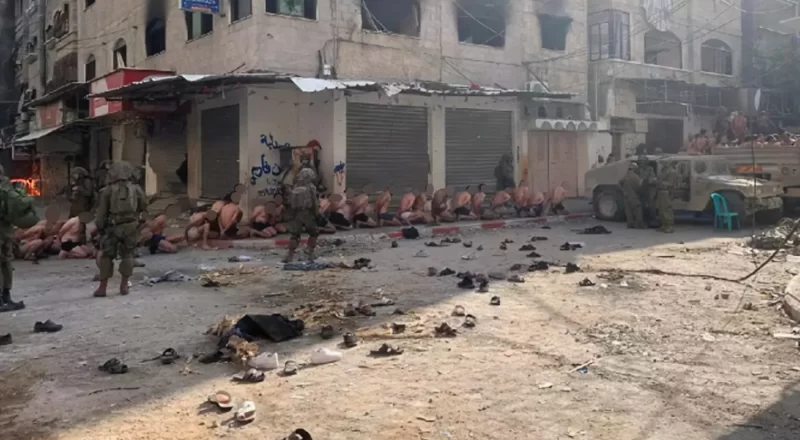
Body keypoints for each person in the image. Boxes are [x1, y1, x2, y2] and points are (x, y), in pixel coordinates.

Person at [94, 161, 147, 297]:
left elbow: (101, 213)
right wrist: (139, 223)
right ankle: (124, 286)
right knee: (128, 255)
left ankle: (102, 288)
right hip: (131, 226)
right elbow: (144, 208)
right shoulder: (136, 189)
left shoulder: (107, 191)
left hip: (112, 226)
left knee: (107, 256)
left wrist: (100, 228)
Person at [0, 165, 40, 312]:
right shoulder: (7, 187)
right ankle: (6, 296)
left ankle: (2, 300)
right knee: (6, 262)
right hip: (6, 230)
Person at [284, 168, 320, 263]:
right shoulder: (311, 187)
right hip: (308, 213)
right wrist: (317, 214)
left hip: (297, 214)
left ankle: (290, 255)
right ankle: (310, 253)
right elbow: (315, 202)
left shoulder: (295, 188)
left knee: (295, 235)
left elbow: (291, 203)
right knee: (314, 233)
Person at [657, 162, 680, 233]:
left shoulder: (672, 172)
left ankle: (669, 226)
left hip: (666, 191)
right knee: (662, 209)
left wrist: (659, 182)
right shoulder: (664, 171)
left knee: (667, 209)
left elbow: (670, 183)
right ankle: (664, 225)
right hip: (661, 191)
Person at [620, 162, 644, 229]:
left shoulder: (625, 176)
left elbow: (620, 182)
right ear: (634, 168)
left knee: (628, 211)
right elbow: (639, 187)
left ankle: (630, 224)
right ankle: (639, 224)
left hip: (626, 196)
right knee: (638, 209)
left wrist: (623, 190)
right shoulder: (636, 177)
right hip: (634, 196)